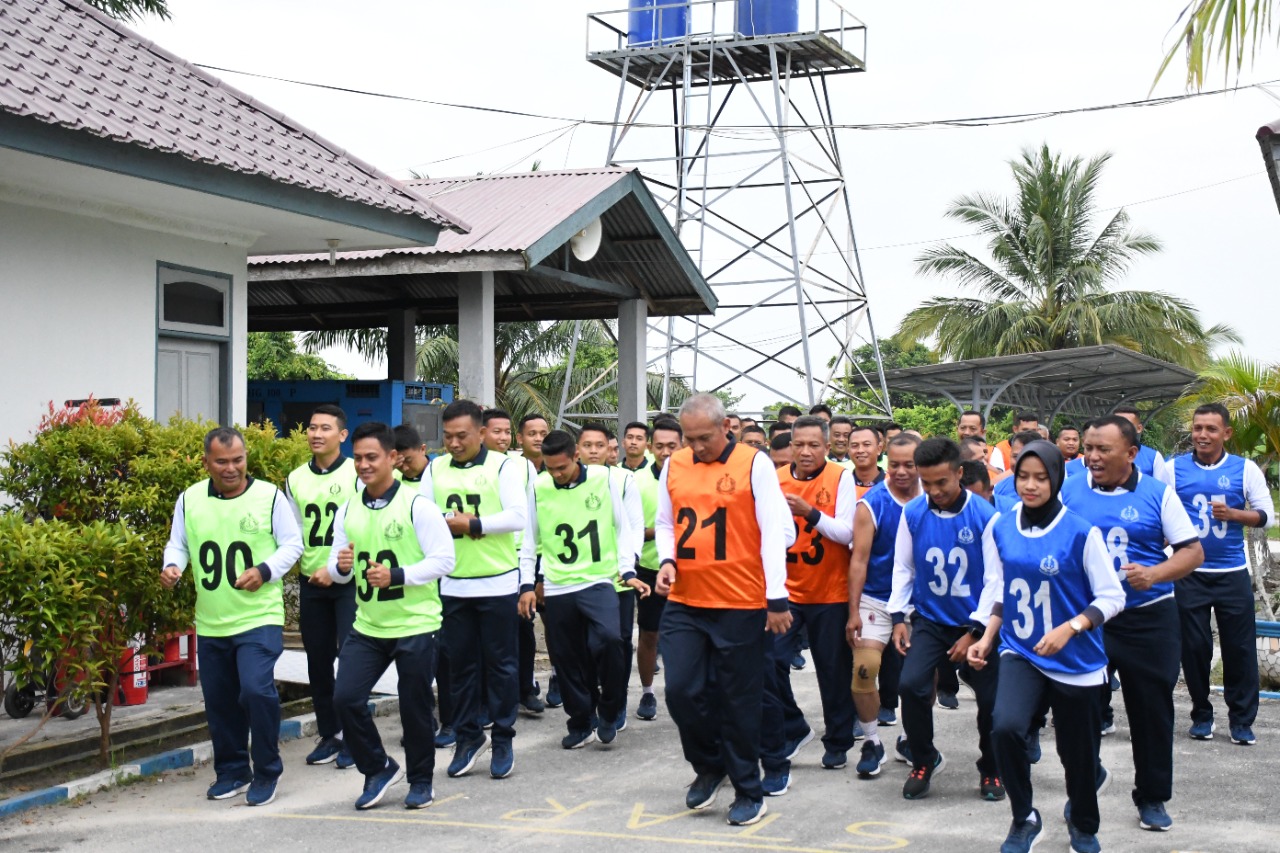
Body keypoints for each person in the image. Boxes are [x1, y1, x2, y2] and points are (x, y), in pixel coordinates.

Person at [968, 441, 1126, 853]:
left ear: (1057, 479)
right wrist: (986, 636)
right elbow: (1002, 590)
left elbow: (1112, 597)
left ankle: (1084, 823)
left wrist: (1070, 628)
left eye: (1041, 477)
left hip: (1077, 660)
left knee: (1078, 755)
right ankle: (1024, 817)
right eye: (1023, 476)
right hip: (1021, 650)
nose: (1031, 485)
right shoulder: (1000, 526)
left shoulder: (1080, 531)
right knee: (1004, 727)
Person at [655, 394, 795, 826]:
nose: (696, 446)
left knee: (738, 702)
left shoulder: (754, 464)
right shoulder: (675, 465)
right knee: (681, 691)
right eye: (689, 438)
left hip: (740, 602)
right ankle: (709, 765)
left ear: (726, 428)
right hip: (686, 600)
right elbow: (666, 522)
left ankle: (748, 789)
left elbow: (775, 531)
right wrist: (667, 560)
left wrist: (776, 598)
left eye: (704, 438)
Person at [1060, 415, 1203, 832]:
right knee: (1077, 711)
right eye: (1088, 448)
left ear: (1132, 453)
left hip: (1147, 618)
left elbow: (1192, 552)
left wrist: (1155, 574)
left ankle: (1153, 796)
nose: (1092, 456)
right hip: (1090, 621)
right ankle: (1084, 788)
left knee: (1152, 712)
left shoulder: (1158, 494)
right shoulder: (1069, 491)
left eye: (1103, 449)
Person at [160, 427, 303, 806]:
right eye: (221, 461)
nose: (231, 468)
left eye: (237, 460)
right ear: (206, 462)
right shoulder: (189, 500)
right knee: (220, 702)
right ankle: (233, 771)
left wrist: (265, 570)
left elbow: (292, 544)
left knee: (256, 690)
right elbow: (179, 543)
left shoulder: (269, 496)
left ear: (246, 458)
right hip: (211, 621)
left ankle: (268, 771)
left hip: (258, 617)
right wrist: (173, 565)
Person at [328, 422, 455, 810]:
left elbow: (445, 560)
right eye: (359, 458)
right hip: (368, 625)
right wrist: (341, 566)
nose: (363, 465)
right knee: (346, 698)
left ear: (393, 458)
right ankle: (378, 767)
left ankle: (420, 780)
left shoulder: (418, 506)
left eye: (372, 457)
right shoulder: (348, 509)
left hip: (417, 622)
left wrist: (398, 575)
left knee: (413, 705)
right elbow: (336, 570)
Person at [888, 437, 1002, 802]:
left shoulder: (986, 516)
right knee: (910, 685)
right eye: (927, 483)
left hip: (976, 625)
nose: (934, 491)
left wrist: (975, 631)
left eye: (942, 482)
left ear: (960, 474)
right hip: (931, 620)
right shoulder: (913, 513)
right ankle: (925, 758)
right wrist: (899, 617)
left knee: (991, 700)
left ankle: (992, 768)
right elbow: (904, 568)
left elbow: (995, 581)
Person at [519, 430, 649, 748]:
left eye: (561, 467)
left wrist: (627, 567)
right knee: (566, 659)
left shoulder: (604, 480)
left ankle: (610, 707)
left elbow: (622, 528)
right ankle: (580, 721)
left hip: (598, 580)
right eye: (550, 468)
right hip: (558, 585)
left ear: (575, 456)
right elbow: (529, 540)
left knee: (610, 640)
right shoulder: (539, 486)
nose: (557, 474)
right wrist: (526, 584)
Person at [420, 400, 528, 780]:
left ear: (481, 433)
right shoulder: (434, 468)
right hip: (452, 583)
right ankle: (468, 737)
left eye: (461, 435)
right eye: (447, 436)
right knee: (459, 668)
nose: (453, 443)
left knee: (501, 666)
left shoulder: (503, 466)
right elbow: (422, 515)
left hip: (497, 581)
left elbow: (518, 516)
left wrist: (474, 523)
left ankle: (502, 736)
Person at [1161, 402, 1273, 745]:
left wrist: (1236, 515)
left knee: (1240, 650)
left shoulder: (1245, 469)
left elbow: (1266, 515)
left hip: (1232, 573)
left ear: (1226, 433)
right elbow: (1158, 511)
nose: (1203, 435)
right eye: (1198, 428)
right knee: (1194, 648)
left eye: (1211, 429)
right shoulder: (1171, 469)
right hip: (1189, 573)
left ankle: (1241, 720)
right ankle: (1201, 714)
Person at [761, 416, 856, 795]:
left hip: (830, 591)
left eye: (813, 445)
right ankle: (792, 726)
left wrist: (810, 512)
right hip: (787, 592)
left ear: (828, 444)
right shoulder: (774, 478)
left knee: (833, 672)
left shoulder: (840, 476)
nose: (805, 451)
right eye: (799, 444)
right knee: (768, 661)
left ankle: (837, 742)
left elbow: (846, 532)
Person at [284, 405, 361, 770]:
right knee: (317, 661)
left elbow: (367, 526)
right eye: (312, 427)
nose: (316, 434)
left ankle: (354, 736)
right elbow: (293, 534)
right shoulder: (295, 478)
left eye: (325, 428)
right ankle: (329, 734)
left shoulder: (356, 473)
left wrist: (337, 569)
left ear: (342, 435)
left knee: (351, 658)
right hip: (312, 580)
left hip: (349, 581)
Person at [847, 433, 921, 779]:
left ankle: (911, 737)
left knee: (920, 679)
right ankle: (872, 740)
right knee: (864, 668)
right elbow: (858, 561)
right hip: (875, 598)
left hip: (919, 603)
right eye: (895, 465)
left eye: (910, 464)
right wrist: (852, 613)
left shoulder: (933, 500)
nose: (902, 471)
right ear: (885, 462)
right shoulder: (871, 504)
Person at [577, 422, 644, 731]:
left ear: (609, 450)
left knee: (616, 643)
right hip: (576, 581)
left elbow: (633, 528)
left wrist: (628, 566)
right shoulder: (561, 478)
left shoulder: (623, 479)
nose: (593, 451)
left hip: (617, 579)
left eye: (599, 445)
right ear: (577, 449)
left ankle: (615, 704)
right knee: (585, 649)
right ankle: (588, 706)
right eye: (587, 445)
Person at [483, 409, 544, 717]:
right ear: (481, 433)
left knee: (523, 627)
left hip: (518, 557)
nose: (503, 437)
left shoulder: (522, 465)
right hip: (484, 558)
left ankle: (524, 689)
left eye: (507, 432)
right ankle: (487, 699)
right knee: (487, 637)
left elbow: (531, 513)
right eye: (497, 431)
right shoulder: (470, 468)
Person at [634, 418, 682, 721]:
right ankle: (648, 693)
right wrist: (654, 533)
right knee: (649, 635)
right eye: (660, 446)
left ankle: (684, 692)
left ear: (683, 445)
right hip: (651, 569)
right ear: (650, 447)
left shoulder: (693, 477)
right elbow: (627, 529)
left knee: (684, 636)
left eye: (672, 446)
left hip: (691, 571)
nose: (665, 452)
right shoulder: (636, 482)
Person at [993, 431, 1042, 511]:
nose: (1019, 461)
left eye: (1026, 456)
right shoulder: (1000, 487)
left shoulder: (1050, 487)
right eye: (1015, 456)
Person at [1112, 405, 1166, 477]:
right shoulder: (1097, 455)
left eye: (1128, 425)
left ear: (1139, 428)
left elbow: (1161, 487)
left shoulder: (1154, 457)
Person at [848, 424, 886, 498]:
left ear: (879, 449)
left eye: (866, 444)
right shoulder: (842, 483)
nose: (860, 450)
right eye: (855, 445)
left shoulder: (892, 484)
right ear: (848, 451)